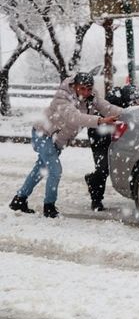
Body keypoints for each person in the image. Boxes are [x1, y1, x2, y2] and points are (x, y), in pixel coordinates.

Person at [9, 72, 122, 218]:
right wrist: (100, 121)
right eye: (82, 88)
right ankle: (49, 206)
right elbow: (74, 117)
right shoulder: (61, 98)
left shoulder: (91, 97)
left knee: (40, 170)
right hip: (44, 134)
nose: (86, 92)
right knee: (55, 170)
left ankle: (19, 200)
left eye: (89, 89)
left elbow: (107, 107)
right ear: (74, 86)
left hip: (57, 140)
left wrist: (131, 112)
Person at [84, 85, 139, 211]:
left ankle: (94, 180)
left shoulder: (131, 111)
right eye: (138, 101)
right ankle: (96, 197)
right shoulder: (114, 111)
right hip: (100, 138)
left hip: (115, 139)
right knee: (103, 168)